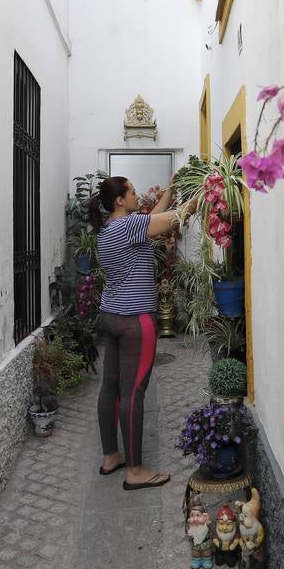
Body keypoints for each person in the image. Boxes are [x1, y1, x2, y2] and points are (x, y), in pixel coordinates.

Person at [88, 175, 197, 490]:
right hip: (137, 320)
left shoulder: (109, 229)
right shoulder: (128, 227)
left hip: (111, 315)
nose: (137, 195)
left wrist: (172, 189)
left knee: (111, 388)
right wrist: (203, 192)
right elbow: (175, 217)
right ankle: (135, 470)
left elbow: (151, 219)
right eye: (133, 192)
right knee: (133, 392)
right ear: (120, 200)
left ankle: (111, 456)